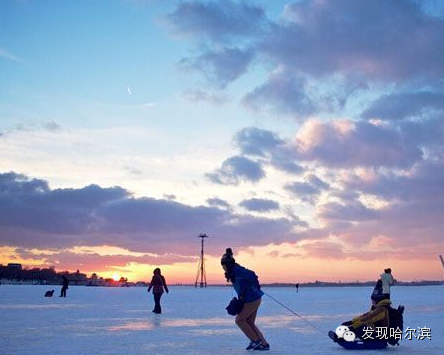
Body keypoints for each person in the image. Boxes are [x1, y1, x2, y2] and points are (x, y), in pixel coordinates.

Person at [221, 248, 270, 351]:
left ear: (228, 264)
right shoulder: (232, 271)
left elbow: (252, 274)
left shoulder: (237, 271)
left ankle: (256, 341)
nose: (223, 268)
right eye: (222, 266)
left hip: (252, 299)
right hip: (252, 298)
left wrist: (256, 286)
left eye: (224, 266)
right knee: (249, 322)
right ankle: (264, 344)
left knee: (239, 320)